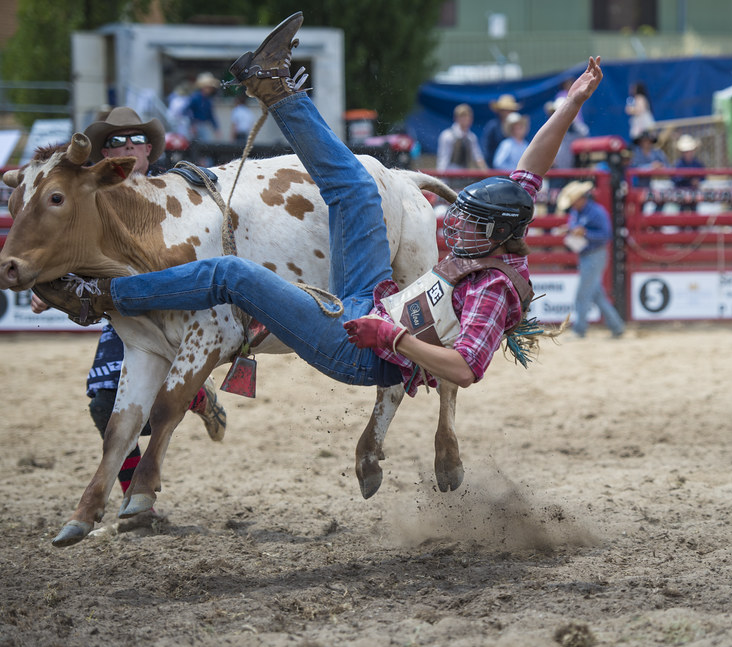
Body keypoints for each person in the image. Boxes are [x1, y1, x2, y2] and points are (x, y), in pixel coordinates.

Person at [35, 13, 604, 403]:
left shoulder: (494, 291)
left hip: (364, 351)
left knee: (233, 273)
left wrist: (392, 340)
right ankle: (273, 85)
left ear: (500, 238)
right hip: (374, 295)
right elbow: (532, 168)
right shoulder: (506, 219)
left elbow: (466, 368)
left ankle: (99, 295)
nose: (459, 223)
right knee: (355, 185)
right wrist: (571, 102)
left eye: (474, 224)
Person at [32, 106, 228, 502]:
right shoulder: (89, 198)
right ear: (103, 155)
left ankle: (191, 396)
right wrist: (50, 284)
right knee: (106, 406)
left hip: (190, 314)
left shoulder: (180, 192)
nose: (128, 146)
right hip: (124, 315)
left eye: (137, 138)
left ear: (150, 151)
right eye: (115, 141)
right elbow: (72, 248)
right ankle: (135, 496)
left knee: (149, 405)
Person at [557, 180, 625, 339]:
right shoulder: (578, 212)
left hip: (595, 255)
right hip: (588, 255)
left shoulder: (596, 212)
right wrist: (570, 230)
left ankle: (580, 330)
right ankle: (617, 326)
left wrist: (585, 233)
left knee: (583, 294)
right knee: (596, 294)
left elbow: (606, 236)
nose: (572, 205)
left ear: (581, 198)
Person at [436, 103, 486, 172]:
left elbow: (478, 158)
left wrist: (485, 172)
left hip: (465, 175)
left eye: (468, 116)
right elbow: (443, 159)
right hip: (449, 174)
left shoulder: (471, 137)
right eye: (463, 116)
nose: (466, 119)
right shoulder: (447, 135)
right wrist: (441, 177)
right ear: (456, 118)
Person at [482, 94, 521, 168]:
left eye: (510, 110)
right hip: (494, 170)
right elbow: (487, 149)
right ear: (499, 111)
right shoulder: (492, 126)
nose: (507, 112)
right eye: (504, 110)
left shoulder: (518, 127)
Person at [187, 72, 221, 142]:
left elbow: (211, 115)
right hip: (195, 125)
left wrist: (216, 128)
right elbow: (188, 111)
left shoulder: (208, 100)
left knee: (205, 145)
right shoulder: (195, 97)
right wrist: (192, 124)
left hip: (204, 125)